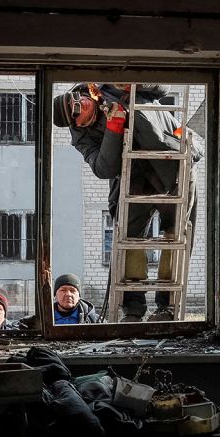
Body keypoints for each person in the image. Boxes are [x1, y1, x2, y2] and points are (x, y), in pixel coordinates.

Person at [52, 83, 202, 322]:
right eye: (75, 109)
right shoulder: (83, 138)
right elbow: (104, 167)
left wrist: (137, 84)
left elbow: (161, 89)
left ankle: (167, 306)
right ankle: (133, 308)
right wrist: (114, 128)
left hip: (174, 165)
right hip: (136, 178)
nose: (81, 103)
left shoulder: (109, 88)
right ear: (77, 123)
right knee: (130, 239)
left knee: (177, 236)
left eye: (77, 98)